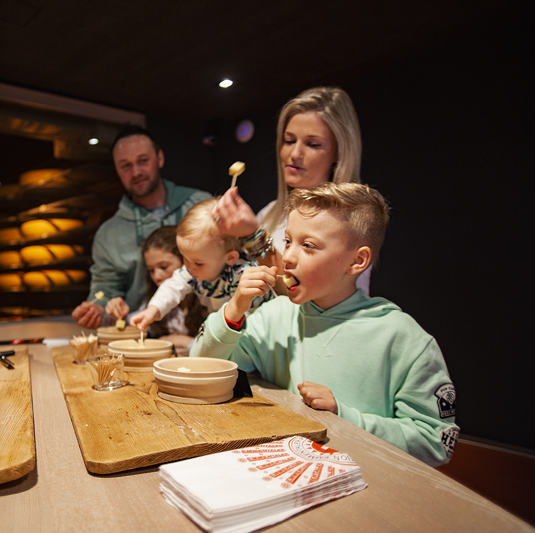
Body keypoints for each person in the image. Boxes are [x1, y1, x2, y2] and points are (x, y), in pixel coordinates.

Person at [191, 183, 458, 467]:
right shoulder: (275, 316)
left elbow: (435, 442)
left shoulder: (404, 338)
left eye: (308, 246)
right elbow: (200, 369)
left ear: (357, 261)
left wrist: (344, 415)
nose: (289, 257)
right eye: (288, 241)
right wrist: (234, 308)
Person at [213, 86, 371, 296]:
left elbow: (301, 297)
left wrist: (253, 237)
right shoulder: (269, 213)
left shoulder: (350, 220)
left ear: (339, 153)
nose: (295, 153)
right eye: (289, 141)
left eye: (312, 144)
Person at [72, 124, 211, 329]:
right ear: (117, 170)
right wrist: (97, 308)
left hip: (205, 326)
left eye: (143, 161)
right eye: (125, 165)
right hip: (142, 334)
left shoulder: (201, 205)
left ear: (160, 159)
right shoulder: (109, 234)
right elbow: (105, 292)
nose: (136, 172)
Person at [130, 198, 274, 331]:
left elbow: (252, 324)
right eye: (184, 258)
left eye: (198, 263)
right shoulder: (193, 269)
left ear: (230, 257)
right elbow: (173, 287)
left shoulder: (244, 276)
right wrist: (153, 310)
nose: (188, 267)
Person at [104, 226, 207, 350]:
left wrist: (183, 341)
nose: (156, 276)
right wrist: (119, 313)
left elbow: (222, 348)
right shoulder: (155, 302)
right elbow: (135, 323)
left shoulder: (208, 295)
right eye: (151, 270)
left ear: (186, 262)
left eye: (163, 267)